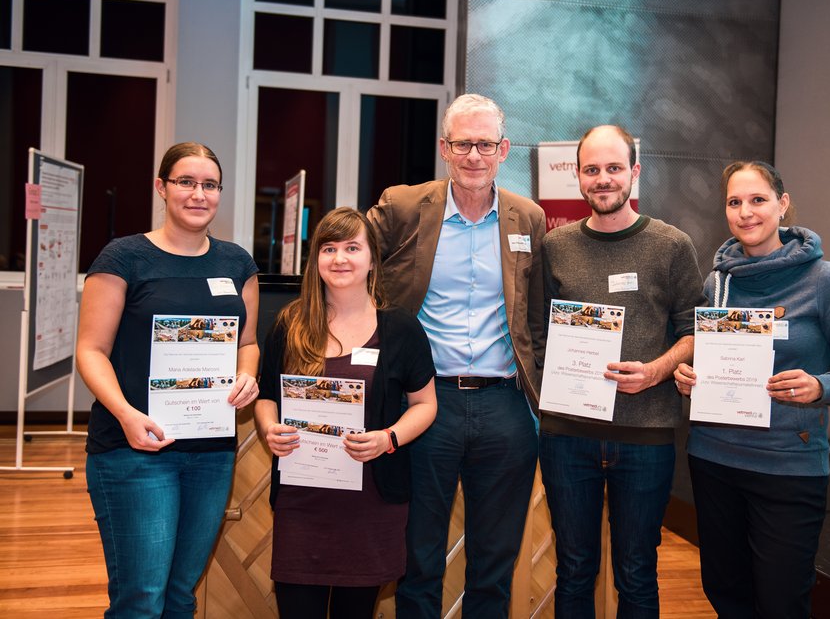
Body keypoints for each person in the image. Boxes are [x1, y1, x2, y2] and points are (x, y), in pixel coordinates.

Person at [674, 161, 830, 619]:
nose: (746, 212)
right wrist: (689, 375)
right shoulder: (716, 285)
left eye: (758, 200)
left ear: (782, 205)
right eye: (734, 202)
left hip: (789, 467)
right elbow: (708, 356)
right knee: (724, 592)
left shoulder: (826, 281)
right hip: (714, 460)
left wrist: (821, 385)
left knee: (781, 602)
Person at [367, 93, 546, 618]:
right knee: (419, 554)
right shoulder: (403, 207)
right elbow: (347, 263)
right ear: (445, 148)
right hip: (426, 405)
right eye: (463, 144)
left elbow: (535, 316)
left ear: (503, 149)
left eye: (485, 144)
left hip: (505, 407)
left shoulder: (526, 218)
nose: (474, 155)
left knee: (496, 557)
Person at [76, 142, 260, 617]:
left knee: (181, 596)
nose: (199, 194)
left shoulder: (237, 263)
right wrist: (126, 414)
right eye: (186, 182)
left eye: (210, 185)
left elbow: (248, 342)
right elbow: (90, 350)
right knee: (141, 600)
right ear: (162, 187)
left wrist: (248, 376)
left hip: (210, 453)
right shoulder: (125, 257)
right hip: (134, 449)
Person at [541, 124, 705, 618]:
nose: (603, 179)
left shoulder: (671, 245)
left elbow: (695, 331)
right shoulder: (556, 246)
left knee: (637, 571)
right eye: (592, 170)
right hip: (568, 435)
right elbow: (539, 333)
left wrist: (656, 371)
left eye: (614, 168)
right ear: (578, 176)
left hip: (646, 436)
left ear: (635, 172)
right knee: (573, 569)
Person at [254, 207, 437, 619]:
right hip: (303, 503)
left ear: (372, 258)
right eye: (329, 248)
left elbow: (426, 406)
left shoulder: (401, 329)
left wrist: (388, 438)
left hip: (371, 505)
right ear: (315, 259)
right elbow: (266, 396)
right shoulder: (289, 324)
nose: (339, 258)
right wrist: (270, 428)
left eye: (352, 247)